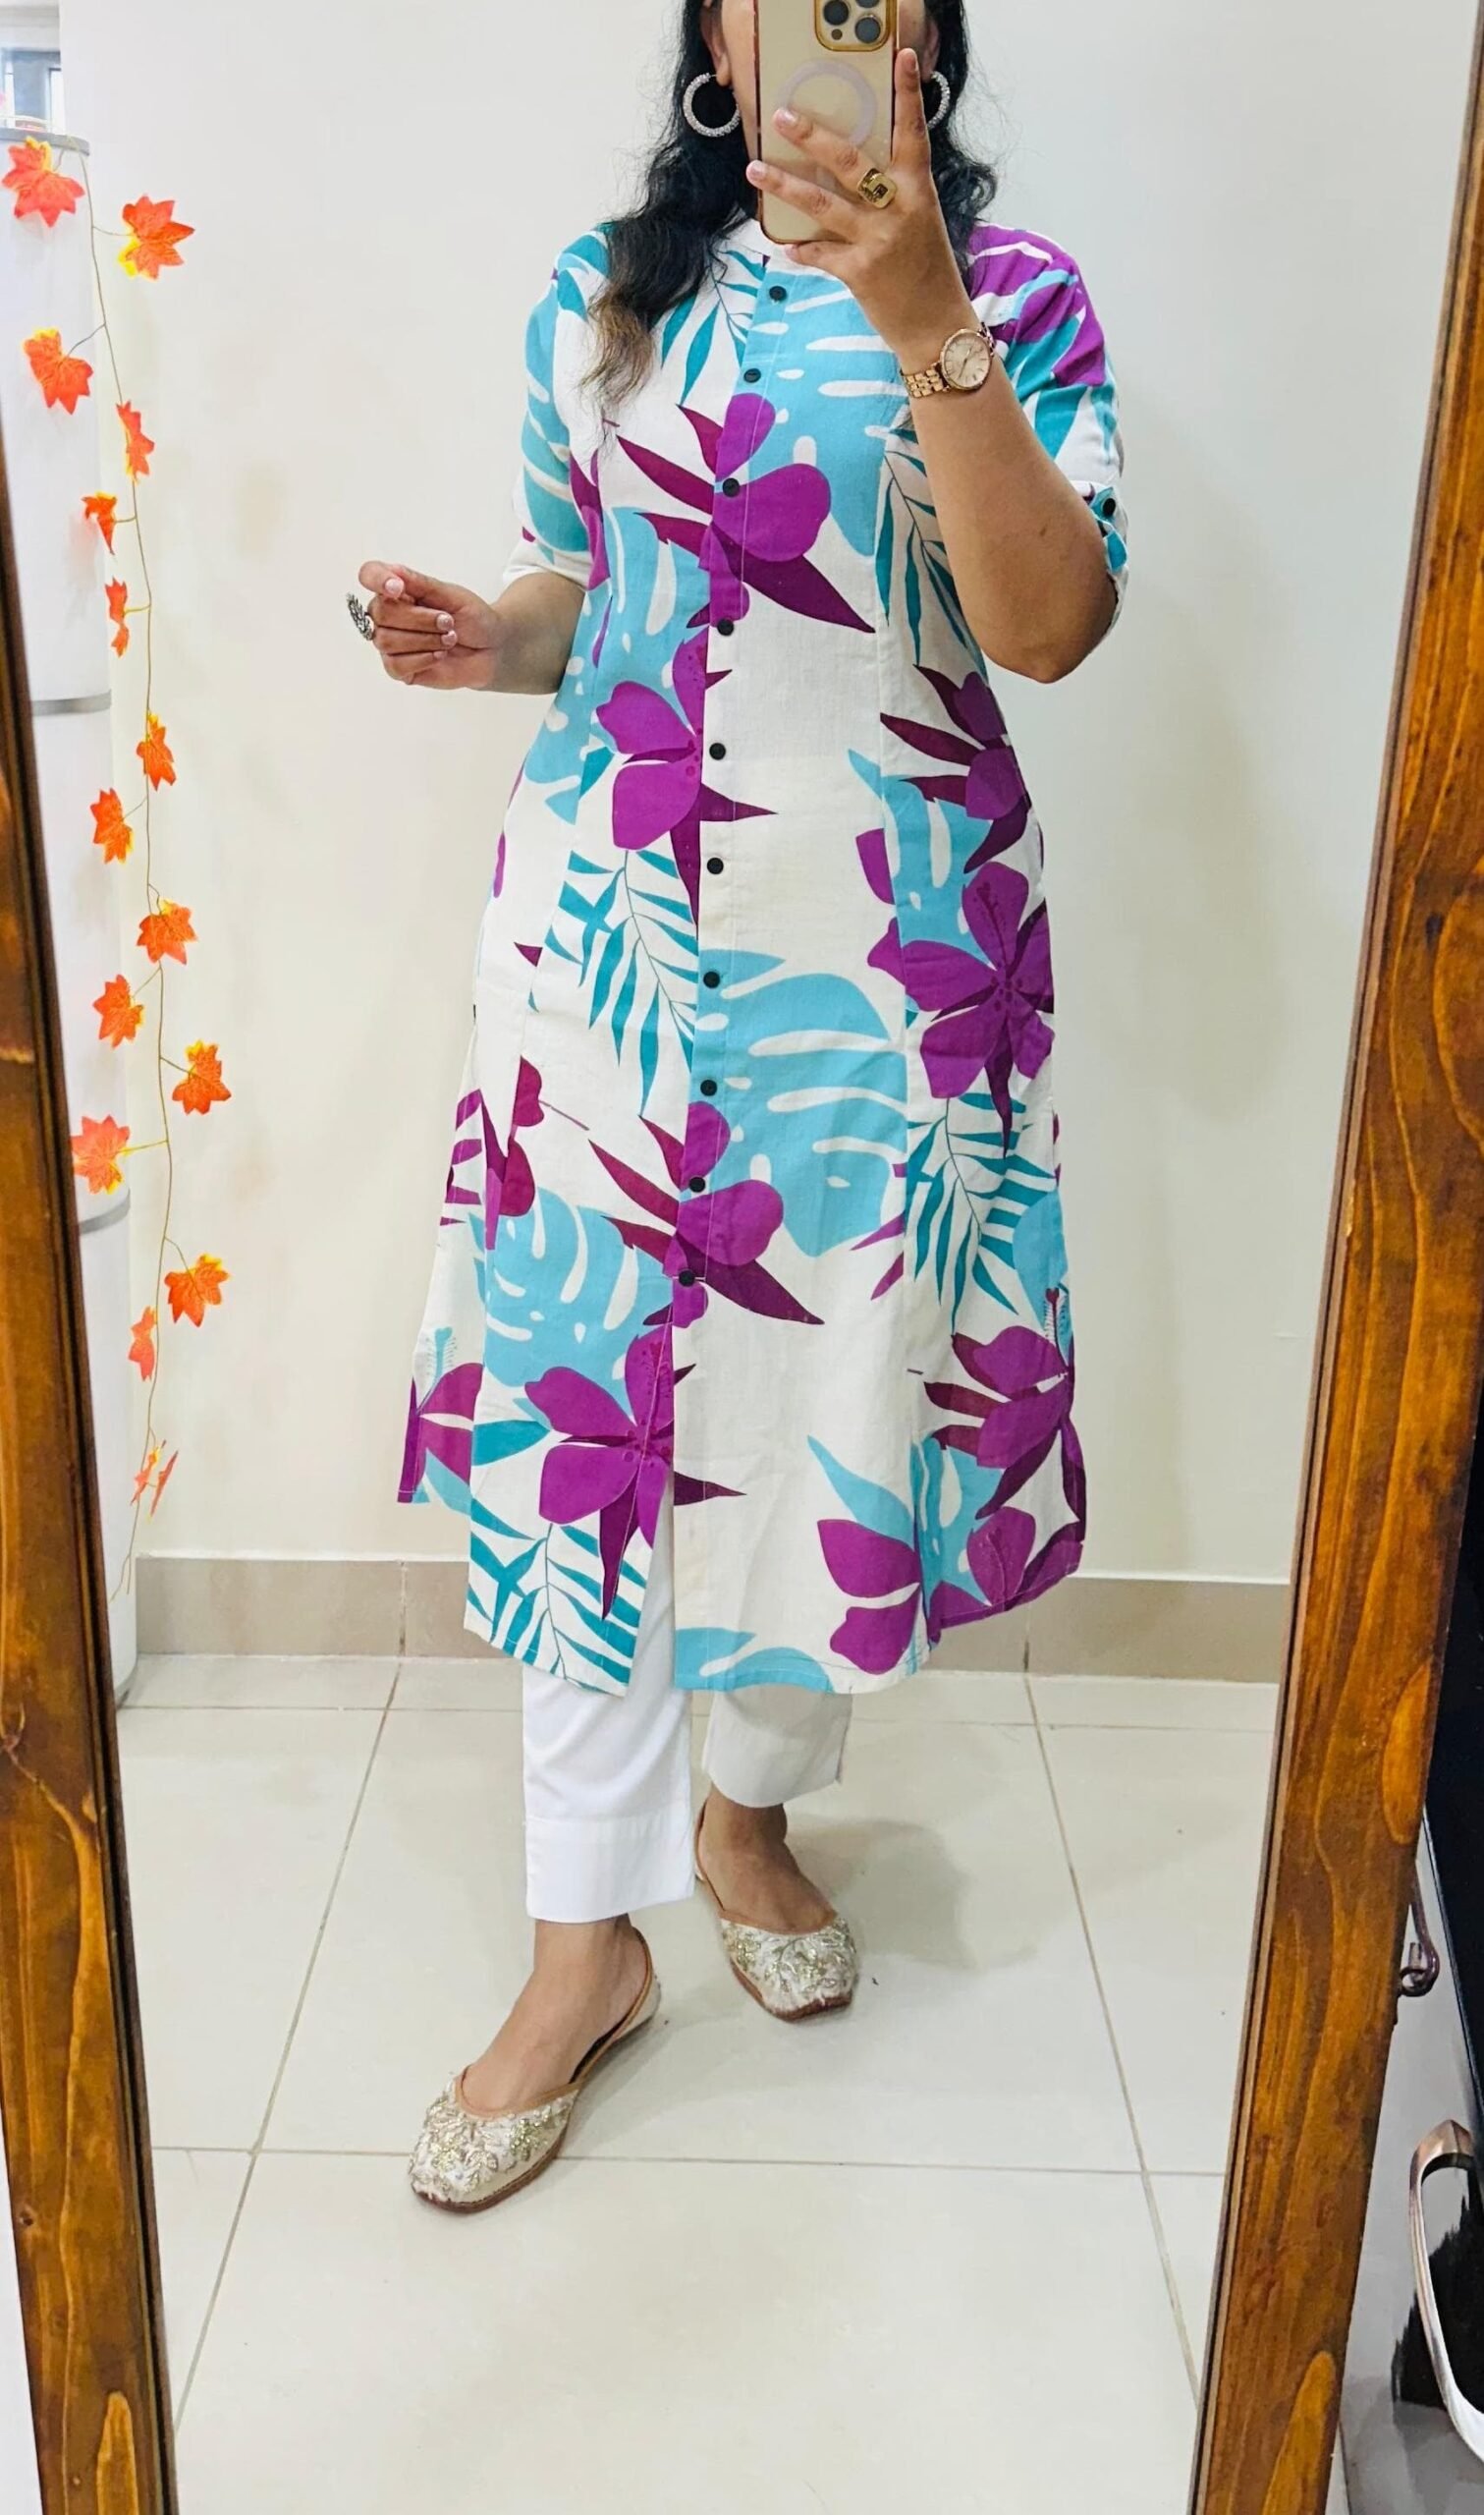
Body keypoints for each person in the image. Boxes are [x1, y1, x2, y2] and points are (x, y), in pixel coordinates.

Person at [357, 0, 1126, 2215]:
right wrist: (491, 638)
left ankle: (751, 1812)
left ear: (926, 40)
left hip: (878, 955)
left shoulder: (1022, 297)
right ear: (716, 34)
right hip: (607, 944)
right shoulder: (607, 295)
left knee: (823, 1401)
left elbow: (1047, 626)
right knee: (593, 1417)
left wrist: (924, 315)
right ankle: (582, 1942)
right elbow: (582, 584)